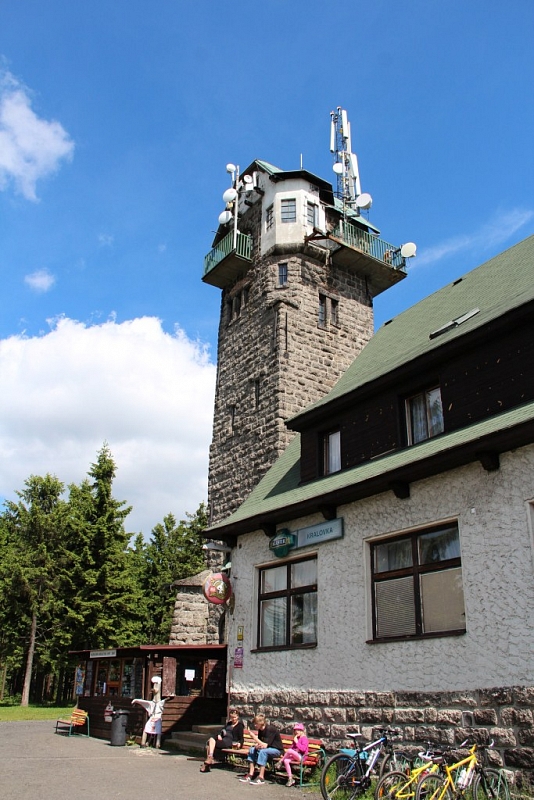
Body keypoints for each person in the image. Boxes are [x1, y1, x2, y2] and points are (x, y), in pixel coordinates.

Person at [239, 713, 284, 785]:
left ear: (261, 723)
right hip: (268, 749)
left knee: (263, 752)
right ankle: (250, 774)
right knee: (252, 749)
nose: (255, 725)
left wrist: (254, 737)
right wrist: (256, 746)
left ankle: (261, 777)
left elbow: (265, 745)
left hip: (277, 750)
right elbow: (261, 743)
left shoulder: (270, 729)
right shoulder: (260, 730)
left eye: (256, 723)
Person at [200, 708, 244, 772]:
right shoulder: (228, 724)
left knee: (210, 744)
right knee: (211, 740)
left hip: (230, 742)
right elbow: (222, 731)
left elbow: (241, 738)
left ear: (238, 717)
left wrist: (240, 744)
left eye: (235, 717)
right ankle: (209, 759)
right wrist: (219, 735)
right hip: (224, 739)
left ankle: (207, 764)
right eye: (232, 717)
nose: (233, 719)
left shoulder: (240, 726)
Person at [276, 723, 309, 787]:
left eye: (298, 730)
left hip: (302, 757)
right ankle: (290, 778)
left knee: (289, 751)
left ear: (302, 731)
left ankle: (280, 762)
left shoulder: (304, 739)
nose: (296, 732)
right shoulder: (296, 738)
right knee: (286, 761)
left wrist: (296, 742)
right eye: (295, 730)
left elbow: (303, 749)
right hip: (296, 756)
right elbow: (292, 748)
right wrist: (287, 755)